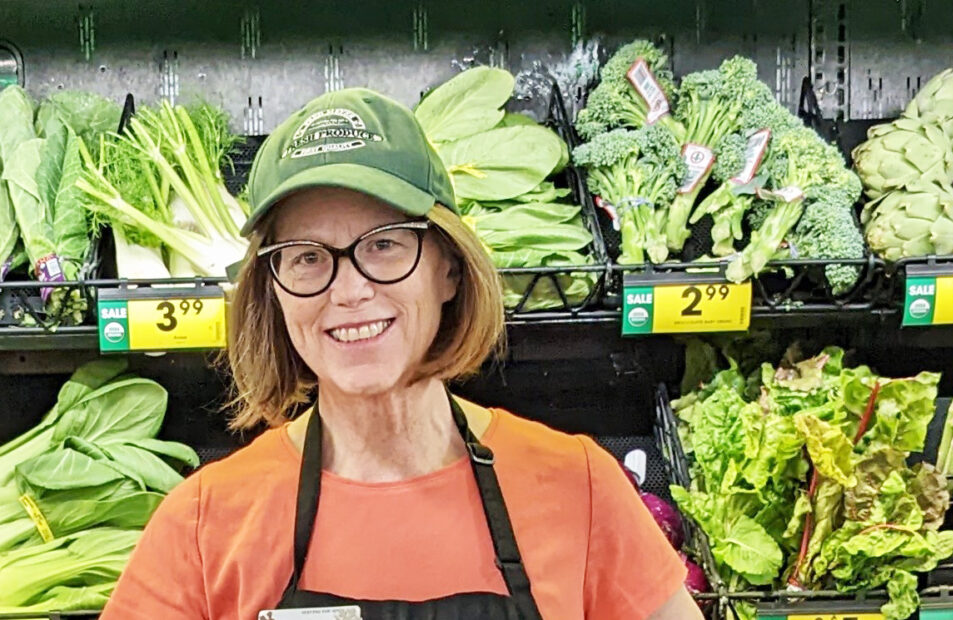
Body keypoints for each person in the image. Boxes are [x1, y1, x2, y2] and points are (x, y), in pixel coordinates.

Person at [101, 87, 703, 620]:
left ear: (448, 269)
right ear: (274, 291)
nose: (350, 289)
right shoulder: (206, 524)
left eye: (385, 245)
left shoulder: (582, 490)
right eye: (308, 256)